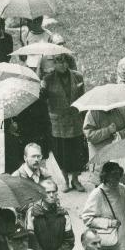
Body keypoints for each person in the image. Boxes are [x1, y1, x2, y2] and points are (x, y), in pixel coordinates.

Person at [43, 54, 87, 192]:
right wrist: (43, 90)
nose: (61, 65)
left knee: (76, 151)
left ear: (68, 63)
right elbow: (44, 100)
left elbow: (83, 98)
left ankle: (75, 180)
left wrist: (83, 117)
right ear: (53, 64)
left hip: (74, 120)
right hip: (58, 123)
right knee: (61, 152)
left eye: (64, 62)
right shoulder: (48, 79)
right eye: (58, 62)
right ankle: (65, 181)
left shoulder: (77, 76)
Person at [83, 106, 125, 171]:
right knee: (101, 178)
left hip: (119, 156)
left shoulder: (121, 110)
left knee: (120, 177)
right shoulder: (92, 114)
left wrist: (120, 134)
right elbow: (90, 135)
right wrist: (108, 130)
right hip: (100, 158)